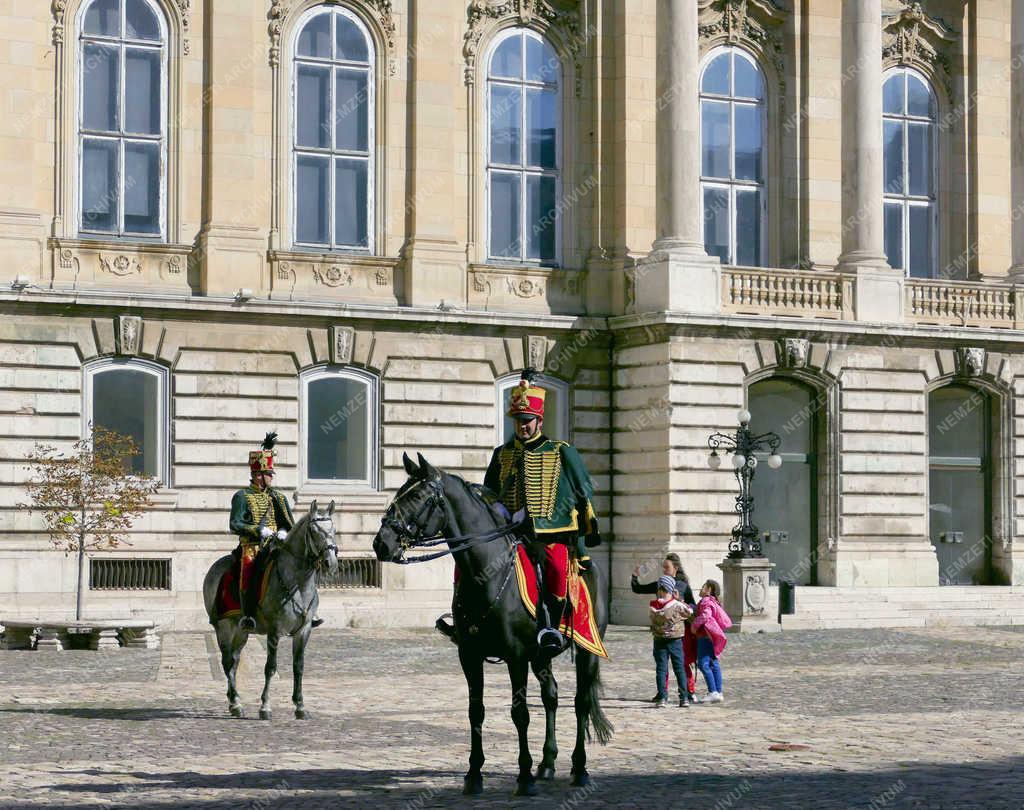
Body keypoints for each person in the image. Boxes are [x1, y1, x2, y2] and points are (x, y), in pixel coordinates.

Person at [436, 369, 601, 656]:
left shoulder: (560, 451)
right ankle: (463, 621)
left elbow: (583, 488)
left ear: (539, 420)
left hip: (546, 533)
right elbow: (487, 491)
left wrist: (563, 522)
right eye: (518, 421)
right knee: (465, 561)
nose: (522, 426)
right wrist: (498, 507)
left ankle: (550, 626)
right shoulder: (502, 453)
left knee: (557, 567)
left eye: (527, 421)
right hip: (506, 531)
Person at [229, 432, 322, 631]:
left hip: (277, 546)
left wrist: (283, 533)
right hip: (252, 547)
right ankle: (248, 616)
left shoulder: (278, 498)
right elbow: (234, 524)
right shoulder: (242, 496)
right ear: (258, 475)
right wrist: (257, 530)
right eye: (269, 473)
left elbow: (290, 524)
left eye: (271, 473)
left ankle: (309, 610)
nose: (272, 477)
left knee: (305, 565)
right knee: (249, 574)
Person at [632, 553, 697, 703]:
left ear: (675, 568)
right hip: (663, 633)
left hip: (680, 631)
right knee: (662, 666)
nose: (664, 570)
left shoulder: (683, 585)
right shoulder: (661, 584)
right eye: (663, 567)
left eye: (667, 567)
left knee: (682, 663)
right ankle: (663, 693)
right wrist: (635, 576)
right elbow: (638, 589)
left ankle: (688, 692)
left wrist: (682, 603)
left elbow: (693, 606)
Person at [648, 575, 692, 708]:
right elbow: (689, 612)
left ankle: (662, 697)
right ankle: (684, 698)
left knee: (661, 670)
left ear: (659, 589)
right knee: (679, 669)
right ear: (671, 588)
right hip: (675, 641)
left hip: (659, 640)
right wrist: (680, 601)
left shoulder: (653, 605)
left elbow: (651, 618)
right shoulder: (677, 605)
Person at [691, 579, 732, 704]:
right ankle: (718, 692)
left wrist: (694, 625)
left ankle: (712, 691)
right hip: (711, 636)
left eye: (703, 586)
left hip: (704, 635)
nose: (701, 588)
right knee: (714, 663)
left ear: (709, 590)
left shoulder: (706, 601)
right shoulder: (714, 602)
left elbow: (705, 615)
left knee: (703, 664)